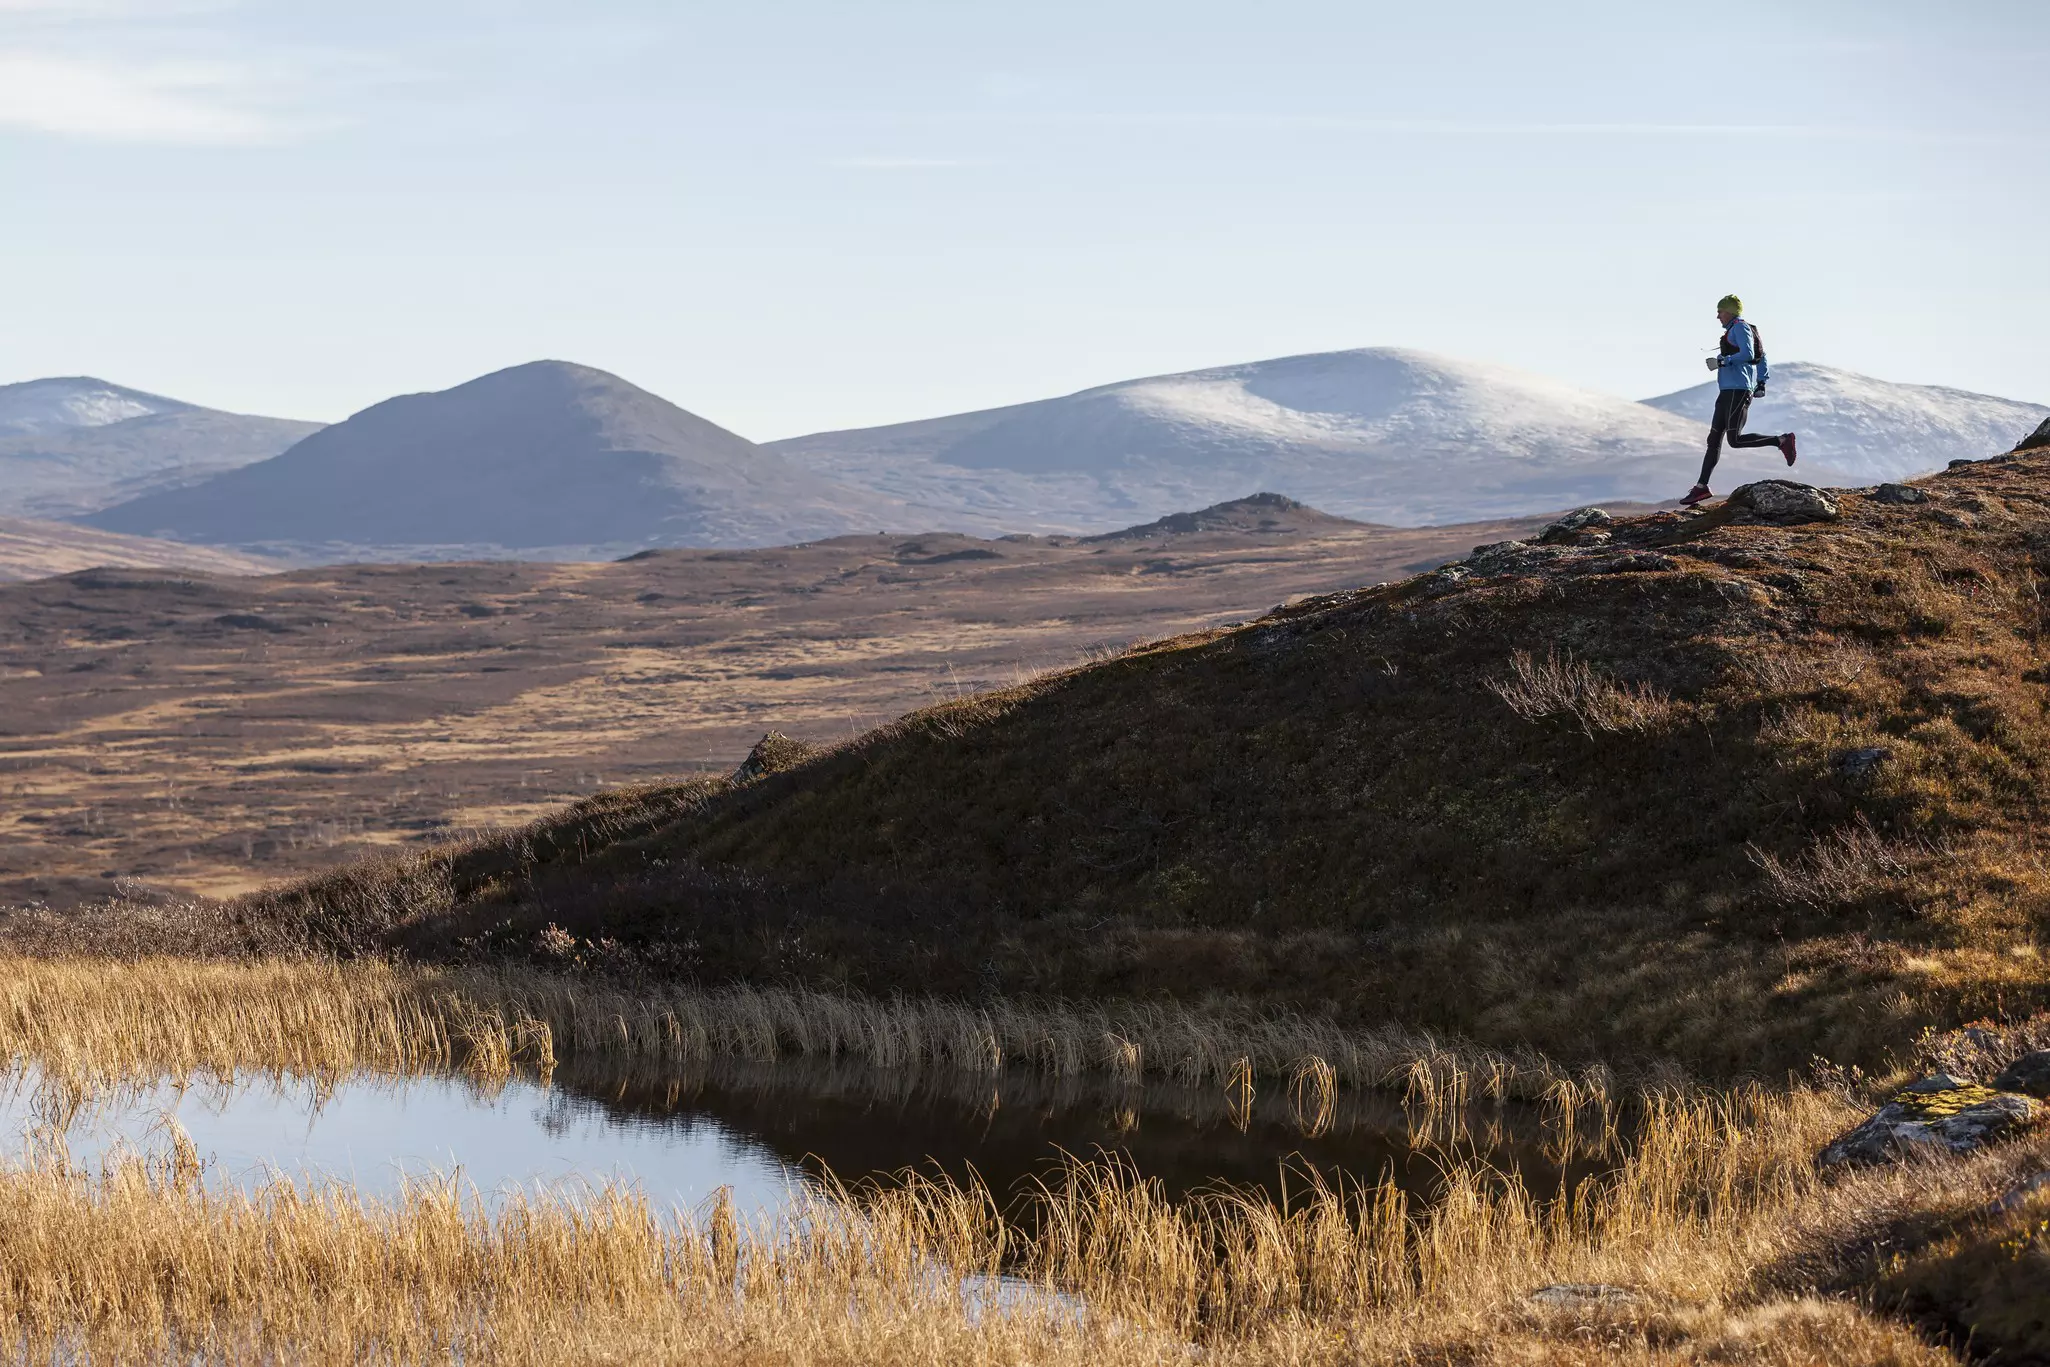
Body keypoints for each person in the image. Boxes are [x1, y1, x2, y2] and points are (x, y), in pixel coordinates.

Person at [1680, 294, 1797, 506]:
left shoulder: (1741, 328)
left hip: (1738, 390)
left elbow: (1750, 353)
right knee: (1713, 440)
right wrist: (1760, 379)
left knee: (1735, 440)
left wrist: (1724, 361)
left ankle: (1781, 441)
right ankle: (1701, 487)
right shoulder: (1735, 330)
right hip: (1726, 390)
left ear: (1731, 312)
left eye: (1720, 311)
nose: (1717, 316)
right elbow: (1762, 355)